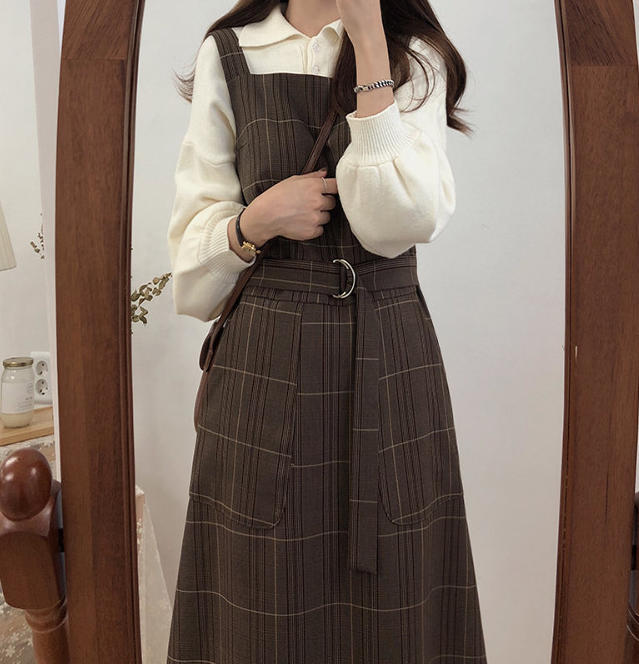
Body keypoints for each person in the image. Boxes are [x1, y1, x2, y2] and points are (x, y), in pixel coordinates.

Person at [166, 1, 487, 662]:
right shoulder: (232, 50)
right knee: (261, 600)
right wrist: (253, 222)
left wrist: (368, 39)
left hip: (387, 357)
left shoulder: (412, 52)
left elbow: (393, 223)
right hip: (264, 362)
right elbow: (192, 279)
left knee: (397, 597)